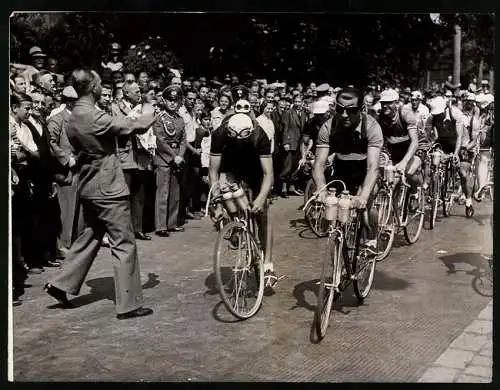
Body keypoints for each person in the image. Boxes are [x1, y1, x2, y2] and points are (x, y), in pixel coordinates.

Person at [44, 69, 156, 320]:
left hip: (90, 185)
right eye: (99, 83)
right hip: (108, 187)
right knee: (124, 242)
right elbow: (138, 125)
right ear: (92, 87)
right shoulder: (93, 116)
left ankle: (60, 284)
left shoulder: (74, 116)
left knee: (92, 234)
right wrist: (148, 104)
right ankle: (128, 304)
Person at [209, 112, 277, 286]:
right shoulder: (219, 134)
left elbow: (269, 173)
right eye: (234, 138)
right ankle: (235, 225)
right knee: (224, 189)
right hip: (231, 168)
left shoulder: (260, 135)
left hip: (255, 170)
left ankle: (268, 263)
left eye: (242, 138)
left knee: (262, 213)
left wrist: (261, 198)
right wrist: (215, 202)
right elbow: (213, 172)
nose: (238, 142)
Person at [312, 87, 383, 253]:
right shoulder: (328, 127)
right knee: (332, 208)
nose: (344, 115)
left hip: (365, 169)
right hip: (341, 168)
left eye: (351, 110)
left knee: (367, 205)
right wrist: (321, 189)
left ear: (361, 109)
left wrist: (364, 196)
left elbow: (373, 168)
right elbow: (318, 165)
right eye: (339, 109)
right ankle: (339, 248)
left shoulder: (372, 127)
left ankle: (372, 238)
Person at [426, 94, 473, 215]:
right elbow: (430, 135)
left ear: (446, 108)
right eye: (436, 114)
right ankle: (435, 188)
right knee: (433, 160)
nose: (438, 116)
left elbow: (459, 136)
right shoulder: (432, 117)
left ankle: (468, 201)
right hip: (444, 142)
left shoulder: (455, 113)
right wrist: (431, 144)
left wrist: (456, 154)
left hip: (461, 143)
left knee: (462, 172)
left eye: (440, 113)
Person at [378, 89, 426, 202]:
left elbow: (415, 141)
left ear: (396, 103)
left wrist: (404, 162)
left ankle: (414, 191)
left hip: (416, 145)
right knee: (388, 177)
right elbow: (379, 140)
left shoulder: (405, 114)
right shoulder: (381, 117)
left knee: (408, 172)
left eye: (388, 103)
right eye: (383, 103)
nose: (385, 106)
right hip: (396, 147)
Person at [153, 86, 187, 237]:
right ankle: (161, 226)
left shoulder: (180, 119)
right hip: (164, 158)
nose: (173, 103)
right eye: (170, 100)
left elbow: (184, 140)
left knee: (175, 192)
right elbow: (160, 140)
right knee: (163, 193)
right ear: (164, 101)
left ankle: (172, 223)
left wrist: (180, 155)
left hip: (177, 158)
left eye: (176, 100)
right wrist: (174, 157)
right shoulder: (160, 118)